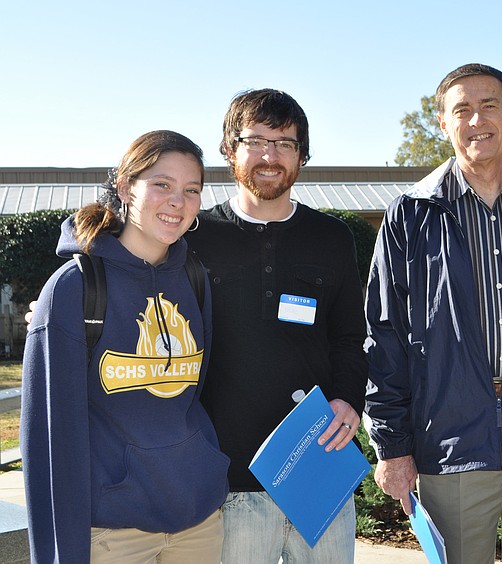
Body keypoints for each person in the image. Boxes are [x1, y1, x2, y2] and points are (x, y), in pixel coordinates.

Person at [365, 63, 502, 564]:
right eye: (461, 109)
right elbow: (385, 336)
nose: (476, 120)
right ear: (443, 122)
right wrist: (392, 446)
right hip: (450, 449)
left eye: (489, 106)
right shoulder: (409, 215)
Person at [21, 130, 229, 563]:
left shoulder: (194, 279)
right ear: (124, 187)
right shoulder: (74, 288)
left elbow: (197, 393)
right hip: (112, 533)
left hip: (198, 522)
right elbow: (49, 437)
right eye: (162, 184)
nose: (177, 201)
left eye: (192, 190)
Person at [185, 89, 367, 563]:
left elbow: (350, 337)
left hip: (318, 468)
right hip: (229, 480)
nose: (270, 156)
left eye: (285, 143)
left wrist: (348, 399)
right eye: (256, 141)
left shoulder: (332, 237)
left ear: (302, 155)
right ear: (230, 150)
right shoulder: (194, 237)